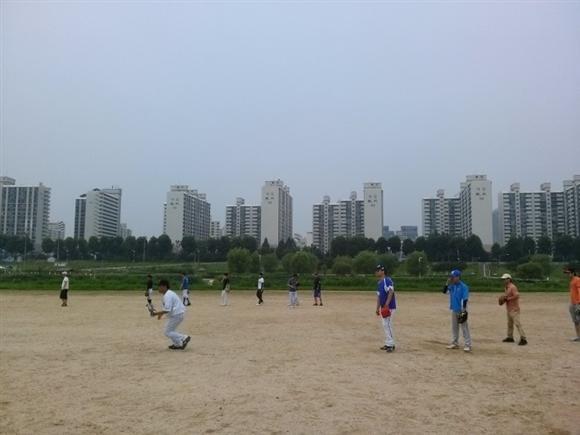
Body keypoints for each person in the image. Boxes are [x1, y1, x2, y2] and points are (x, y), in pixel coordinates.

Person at [151, 279, 190, 350]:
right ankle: (178, 344)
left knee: (167, 332)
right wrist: (159, 314)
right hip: (177, 314)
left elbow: (167, 310)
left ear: (164, 287)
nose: (158, 288)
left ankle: (184, 337)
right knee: (170, 330)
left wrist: (155, 313)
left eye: (159, 287)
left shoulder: (168, 295)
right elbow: (166, 308)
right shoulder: (168, 294)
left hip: (177, 314)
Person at [442, 269, 472, 352]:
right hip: (454, 309)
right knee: (454, 327)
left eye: (453, 277)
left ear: (458, 277)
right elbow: (444, 292)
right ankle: (455, 343)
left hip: (461, 309)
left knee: (464, 327)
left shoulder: (464, 286)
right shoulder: (452, 286)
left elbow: (465, 299)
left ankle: (468, 345)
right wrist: (447, 282)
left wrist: (464, 310)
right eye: (451, 277)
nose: (451, 278)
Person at [500, 273, 527, 345]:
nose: (503, 280)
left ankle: (523, 339)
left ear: (509, 279)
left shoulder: (512, 287)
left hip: (514, 309)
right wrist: (504, 299)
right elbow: (507, 297)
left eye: (504, 279)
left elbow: (517, 295)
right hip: (509, 308)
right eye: (503, 279)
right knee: (509, 324)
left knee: (517, 324)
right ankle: (510, 337)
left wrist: (508, 299)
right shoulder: (506, 287)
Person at [375, 265, 396, 352]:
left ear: (383, 271)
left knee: (388, 324)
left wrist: (386, 304)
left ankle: (391, 344)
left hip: (389, 307)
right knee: (385, 324)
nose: (376, 272)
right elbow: (379, 297)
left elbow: (391, 292)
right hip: (383, 307)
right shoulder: (379, 283)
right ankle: (388, 343)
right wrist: (377, 308)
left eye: (378, 270)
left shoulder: (387, 280)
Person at [564, 267, 580, 342]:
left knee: (578, 320)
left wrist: (579, 303)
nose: (567, 274)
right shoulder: (572, 281)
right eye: (566, 273)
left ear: (573, 273)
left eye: (568, 273)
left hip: (577, 303)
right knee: (576, 321)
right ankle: (578, 337)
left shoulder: (577, 279)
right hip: (573, 303)